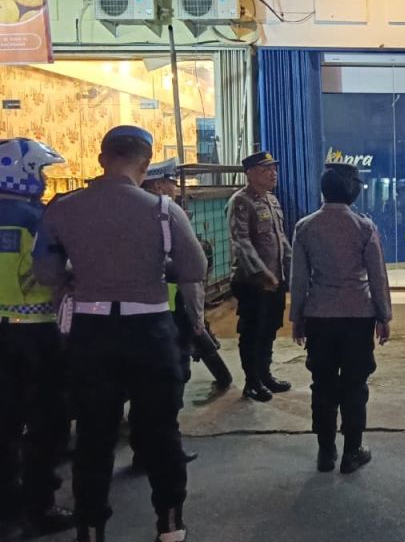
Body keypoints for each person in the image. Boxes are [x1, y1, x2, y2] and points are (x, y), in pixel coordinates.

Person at [33, 125, 208, 542]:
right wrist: (155, 267)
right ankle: (170, 525)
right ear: (145, 165)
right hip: (150, 331)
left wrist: (79, 273)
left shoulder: (63, 208)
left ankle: (91, 528)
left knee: (94, 436)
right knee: (160, 430)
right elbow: (195, 268)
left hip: (90, 332)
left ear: (101, 159)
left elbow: (45, 273)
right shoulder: (164, 210)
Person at [290, 164, 392, 475]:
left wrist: (297, 317)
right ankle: (352, 451)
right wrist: (383, 315)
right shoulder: (364, 227)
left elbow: (298, 279)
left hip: (319, 316)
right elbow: (377, 276)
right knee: (355, 384)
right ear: (353, 191)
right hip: (357, 316)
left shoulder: (305, 227)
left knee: (321, 384)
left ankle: (325, 452)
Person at [0, 138, 74, 538]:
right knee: (47, 422)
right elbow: (55, 271)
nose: (45, 178)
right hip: (37, 334)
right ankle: (40, 506)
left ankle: (6, 506)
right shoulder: (37, 219)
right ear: (25, 173)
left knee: (4, 423)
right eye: (41, 171)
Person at [141, 160, 232, 391]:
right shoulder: (165, 211)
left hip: (139, 305)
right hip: (172, 301)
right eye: (171, 182)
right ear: (158, 185)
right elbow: (190, 267)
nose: (175, 187)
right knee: (178, 359)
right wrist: (197, 313)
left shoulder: (132, 212)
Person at [227, 152, 292, 402]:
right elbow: (241, 242)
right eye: (266, 170)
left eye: (274, 169)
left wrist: (290, 267)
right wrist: (261, 273)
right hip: (252, 282)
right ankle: (252, 382)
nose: (273, 173)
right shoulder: (241, 202)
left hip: (275, 279)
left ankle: (265, 375)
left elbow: (280, 239)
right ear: (250, 173)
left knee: (270, 329)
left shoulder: (271, 200)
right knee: (252, 332)